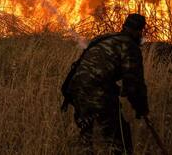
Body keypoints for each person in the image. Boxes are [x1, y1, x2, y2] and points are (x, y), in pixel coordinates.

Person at [61, 14, 149, 155]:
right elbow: (134, 83)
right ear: (138, 31)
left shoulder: (105, 38)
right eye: (141, 32)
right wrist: (141, 108)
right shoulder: (130, 46)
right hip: (97, 90)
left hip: (75, 88)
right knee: (118, 136)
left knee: (86, 133)